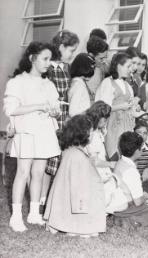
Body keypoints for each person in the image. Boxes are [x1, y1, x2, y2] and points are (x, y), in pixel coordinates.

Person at [4, 42, 61, 232]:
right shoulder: (17, 82)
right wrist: (38, 106)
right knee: (23, 172)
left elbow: (57, 109)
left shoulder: (49, 84)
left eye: (50, 59)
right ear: (32, 58)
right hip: (27, 132)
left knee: (38, 173)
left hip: (44, 132)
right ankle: (16, 216)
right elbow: (11, 109)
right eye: (45, 59)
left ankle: (34, 213)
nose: (48, 63)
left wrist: (54, 111)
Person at [44, 115, 106, 237]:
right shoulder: (78, 157)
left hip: (65, 202)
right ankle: (76, 227)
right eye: (91, 131)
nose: (93, 133)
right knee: (90, 231)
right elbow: (80, 189)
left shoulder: (70, 151)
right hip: (77, 205)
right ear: (84, 134)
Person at [42, 30, 79, 203]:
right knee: (48, 161)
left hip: (65, 120)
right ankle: (41, 199)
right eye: (71, 50)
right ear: (61, 47)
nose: (72, 55)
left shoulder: (67, 68)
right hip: (50, 120)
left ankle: (55, 199)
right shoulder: (47, 68)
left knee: (61, 159)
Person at [113, 132, 148, 228]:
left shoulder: (119, 163)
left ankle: (121, 218)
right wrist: (145, 197)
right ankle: (132, 221)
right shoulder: (132, 171)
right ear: (137, 151)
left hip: (118, 207)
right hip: (128, 207)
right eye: (141, 148)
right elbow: (137, 201)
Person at [85, 101, 127, 214]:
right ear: (96, 117)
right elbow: (93, 161)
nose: (106, 122)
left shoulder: (98, 131)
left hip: (102, 169)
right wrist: (111, 164)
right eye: (104, 119)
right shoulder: (91, 135)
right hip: (94, 172)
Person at [95, 52, 137, 161]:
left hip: (126, 125)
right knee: (113, 155)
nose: (130, 69)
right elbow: (101, 107)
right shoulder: (107, 83)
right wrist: (120, 106)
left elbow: (131, 106)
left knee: (125, 156)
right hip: (112, 125)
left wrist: (134, 108)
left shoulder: (127, 85)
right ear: (118, 66)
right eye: (128, 66)